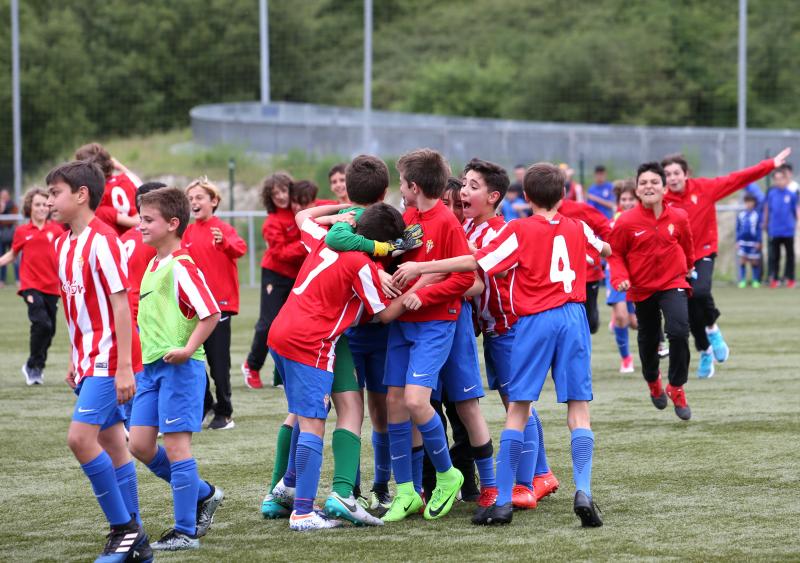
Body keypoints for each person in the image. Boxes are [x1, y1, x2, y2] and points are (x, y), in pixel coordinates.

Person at [393, 162, 610, 528]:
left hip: (534, 319)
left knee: (518, 408)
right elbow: (602, 248)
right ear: (563, 195)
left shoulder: (518, 229)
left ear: (524, 197)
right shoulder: (578, 226)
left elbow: (476, 263)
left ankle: (505, 499)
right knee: (579, 409)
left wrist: (419, 269)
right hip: (574, 316)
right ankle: (584, 490)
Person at [267, 203, 415, 531]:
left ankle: (288, 487)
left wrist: (342, 214)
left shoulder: (330, 239)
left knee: (308, 414)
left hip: (282, 331)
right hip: (310, 342)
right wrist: (415, 287)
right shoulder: (361, 263)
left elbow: (304, 219)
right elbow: (383, 314)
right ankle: (303, 512)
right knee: (313, 424)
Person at [46, 160, 151, 561]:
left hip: (111, 360)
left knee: (79, 438)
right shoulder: (63, 243)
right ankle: (135, 539)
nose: (50, 201)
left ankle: (123, 530)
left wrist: (125, 365)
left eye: (56, 193)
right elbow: (76, 309)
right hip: (88, 360)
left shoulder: (103, 240)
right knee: (112, 444)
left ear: (81, 194)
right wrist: (75, 357)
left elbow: (121, 306)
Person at [379, 148, 476, 524]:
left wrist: (423, 293)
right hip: (405, 324)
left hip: (436, 324)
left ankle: (448, 475)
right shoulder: (408, 218)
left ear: (414, 186)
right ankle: (406, 491)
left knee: (419, 402)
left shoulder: (448, 222)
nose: (399, 189)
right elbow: (397, 258)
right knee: (395, 403)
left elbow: (466, 276)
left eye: (401, 183)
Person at [458, 158, 559, 519]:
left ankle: (524, 485)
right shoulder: (469, 225)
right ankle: (542, 474)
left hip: (512, 328)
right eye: (464, 183)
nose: (463, 191)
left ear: (493, 196)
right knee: (516, 403)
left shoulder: (502, 232)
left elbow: (474, 273)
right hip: (494, 330)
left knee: (517, 405)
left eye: (472, 185)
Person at [126, 187, 224, 551]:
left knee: (178, 449)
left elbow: (211, 312)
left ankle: (185, 531)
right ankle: (203, 493)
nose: (140, 225)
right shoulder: (153, 263)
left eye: (147, 219)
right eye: (140, 218)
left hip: (181, 370)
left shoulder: (182, 266)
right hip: (150, 370)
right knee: (138, 444)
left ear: (172, 223)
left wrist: (187, 348)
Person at [661, 147, 791, 378]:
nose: (672, 178)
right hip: (676, 259)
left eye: (676, 173)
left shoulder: (705, 189)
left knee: (700, 292)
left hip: (702, 253)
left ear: (686, 174)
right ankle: (705, 351)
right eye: (668, 174)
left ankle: (712, 328)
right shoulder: (662, 199)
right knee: (689, 310)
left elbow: (738, 178)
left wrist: (769, 164)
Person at [608, 162, 696, 421]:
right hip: (641, 287)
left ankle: (676, 387)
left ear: (663, 187)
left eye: (654, 182)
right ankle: (653, 382)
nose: (649, 186)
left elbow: (687, 244)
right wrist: (621, 278)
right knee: (648, 340)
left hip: (673, 281)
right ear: (637, 189)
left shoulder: (678, 216)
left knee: (679, 331)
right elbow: (615, 254)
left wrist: (688, 266)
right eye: (643, 182)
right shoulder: (626, 222)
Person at [183, 177, 247, 430]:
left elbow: (240, 249)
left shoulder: (222, 228)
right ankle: (206, 403)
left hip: (219, 305)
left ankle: (225, 412)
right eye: (190, 199)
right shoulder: (186, 232)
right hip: (194, 309)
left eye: (199, 197)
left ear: (214, 201)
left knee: (218, 363)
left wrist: (225, 242)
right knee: (194, 361)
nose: (194, 202)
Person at [242, 172, 302, 389]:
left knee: (294, 325)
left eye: (283, 190)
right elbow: (282, 253)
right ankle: (252, 365)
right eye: (275, 193)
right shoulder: (272, 222)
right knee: (268, 324)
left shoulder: (301, 212)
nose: (280, 196)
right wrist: (307, 243)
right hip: (275, 276)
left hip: (298, 275)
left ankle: (282, 375)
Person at [0, 187, 64, 384]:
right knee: (41, 323)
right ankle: (33, 366)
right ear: (30, 207)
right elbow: (12, 255)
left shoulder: (57, 230)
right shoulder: (22, 231)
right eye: (37, 204)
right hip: (31, 286)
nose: (42, 208)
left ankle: (36, 365)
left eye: (45, 204)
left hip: (52, 287)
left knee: (50, 328)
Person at [558, 195, 612, 335]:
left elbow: (605, 227)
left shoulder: (580, 209)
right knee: (567, 324)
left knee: (590, 324)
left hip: (587, 274)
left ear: (562, 191)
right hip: (558, 277)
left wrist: (605, 254)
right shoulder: (537, 214)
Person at [605, 180, 639, 373]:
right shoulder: (613, 223)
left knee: (635, 323)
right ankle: (626, 358)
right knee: (621, 318)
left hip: (637, 274)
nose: (627, 203)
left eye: (631, 199)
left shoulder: (644, 220)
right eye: (623, 199)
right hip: (616, 273)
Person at [74, 143, 142, 236]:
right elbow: (140, 185)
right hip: (141, 232)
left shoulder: (97, 192)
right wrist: (120, 166)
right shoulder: (126, 178)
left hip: (120, 238)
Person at [763, 166, 798, 288]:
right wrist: (765, 222)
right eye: (776, 179)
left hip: (788, 230)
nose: (779, 181)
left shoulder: (792, 194)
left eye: (781, 178)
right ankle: (774, 279)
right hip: (775, 230)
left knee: (790, 256)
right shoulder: (771, 194)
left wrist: (797, 224)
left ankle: (790, 279)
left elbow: (796, 210)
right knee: (774, 256)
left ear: (785, 179)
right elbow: (767, 209)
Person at [736, 193, 763, 288]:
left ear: (754, 203)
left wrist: (759, 241)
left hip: (753, 242)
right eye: (747, 202)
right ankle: (742, 280)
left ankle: (755, 280)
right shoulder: (741, 215)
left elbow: (759, 229)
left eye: (751, 202)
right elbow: (738, 228)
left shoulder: (757, 215)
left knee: (754, 261)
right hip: (743, 241)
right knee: (743, 260)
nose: (749, 204)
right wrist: (737, 241)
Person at [0, 188, 20, 288]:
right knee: (2, 257)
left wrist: (5, 219)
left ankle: (18, 280)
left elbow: (14, 220)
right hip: (1, 236)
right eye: (2, 195)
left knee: (15, 258)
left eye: (5, 195)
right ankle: (1, 281)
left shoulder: (13, 206)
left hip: (11, 235)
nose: (4, 197)